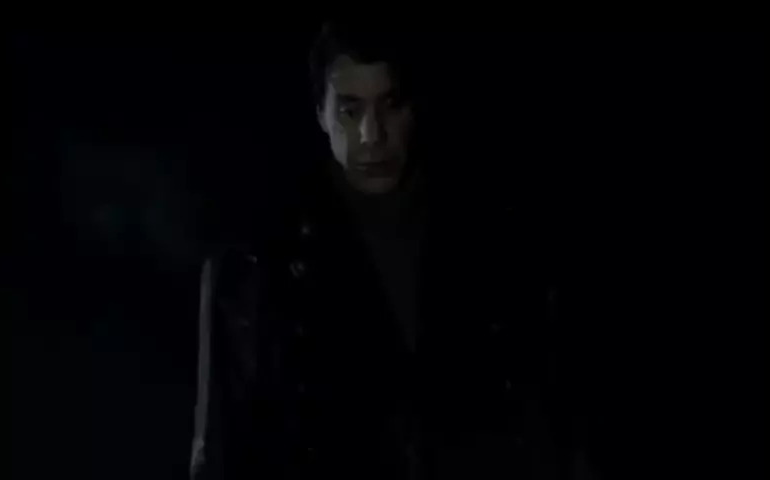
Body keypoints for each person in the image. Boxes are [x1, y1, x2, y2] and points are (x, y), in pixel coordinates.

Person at [191, 22, 571, 480]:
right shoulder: (257, 261)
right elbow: (223, 450)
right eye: (350, 110)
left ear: (414, 107)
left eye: (390, 105)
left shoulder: (496, 240)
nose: (372, 134)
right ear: (321, 113)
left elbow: (553, 419)